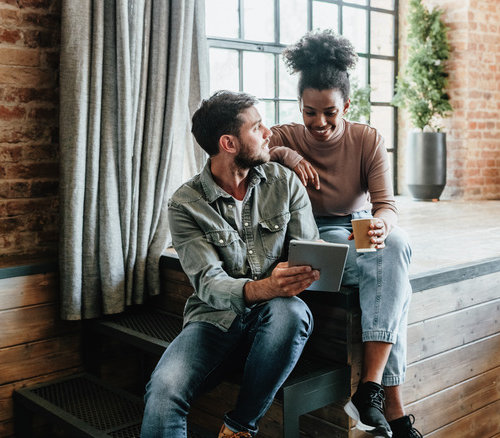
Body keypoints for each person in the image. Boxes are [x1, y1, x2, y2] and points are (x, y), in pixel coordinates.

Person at [141, 90, 321, 438]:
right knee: (163, 391)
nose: (268, 132)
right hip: (214, 320)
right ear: (228, 143)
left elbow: (308, 251)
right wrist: (266, 286)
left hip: (275, 317)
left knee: (292, 312)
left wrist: (307, 268)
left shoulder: (284, 183)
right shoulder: (185, 204)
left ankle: (239, 428)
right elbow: (208, 283)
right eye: (256, 127)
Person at [269, 30, 420, 438]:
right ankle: (391, 407)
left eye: (330, 112)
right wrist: (287, 154)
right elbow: (253, 154)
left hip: (356, 226)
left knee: (397, 244)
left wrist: (382, 223)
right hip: (312, 235)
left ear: (347, 106)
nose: (319, 122)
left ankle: (368, 388)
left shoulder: (367, 139)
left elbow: (387, 205)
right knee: (396, 286)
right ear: (299, 106)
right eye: (310, 112)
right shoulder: (284, 135)